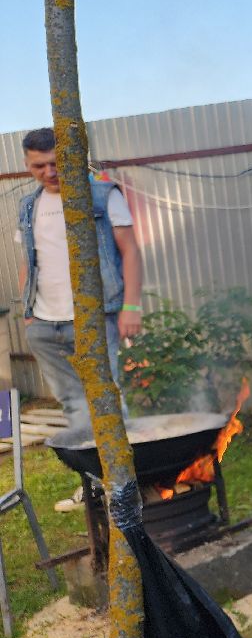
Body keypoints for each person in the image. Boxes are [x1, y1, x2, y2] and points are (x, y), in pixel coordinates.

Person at [15, 128, 143, 511]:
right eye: (39, 165)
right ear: (27, 164)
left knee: (106, 399)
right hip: (44, 324)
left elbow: (131, 251)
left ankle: (126, 484)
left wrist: (131, 308)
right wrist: (28, 315)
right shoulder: (28, 206)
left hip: (94, 318)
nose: (49, 171)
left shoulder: (103, 195)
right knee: (73, 405)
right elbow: (30, 263)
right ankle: (95, 487)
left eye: (56, 162)